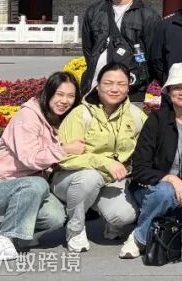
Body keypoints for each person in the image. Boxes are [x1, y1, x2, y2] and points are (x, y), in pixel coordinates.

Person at [0, 71, 81, 261]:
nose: (64, 101)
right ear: (48, 93)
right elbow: (30, 158)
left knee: (56, 217)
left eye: (70, 96)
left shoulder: (64, 121)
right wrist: (64, 149)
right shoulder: (28, 117)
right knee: (36, 183)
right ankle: (5, 237)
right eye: (59, 94)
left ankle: (20, 234)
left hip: (32, 190)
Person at [122, 62, 182, 259]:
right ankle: (139, 238)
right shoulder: (156, 120)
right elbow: (140, 167)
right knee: (165, 191)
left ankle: (164, 230)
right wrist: (171, 179)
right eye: (177, 87)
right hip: (153, 190)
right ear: (169, 91)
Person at [52, 63, 145, 252]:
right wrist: (103, 162)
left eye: (121, 84)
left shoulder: (135, 116)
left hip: (112, 181)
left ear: (128, 88)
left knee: (124, 215)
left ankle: (112, 224)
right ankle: (75, 229)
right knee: (90, 177)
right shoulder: (81, 114)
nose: (114, 89)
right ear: (97, 86)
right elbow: (64, 158)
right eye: (108, 83)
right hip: (72, 179)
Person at [80, 0, 160, 102]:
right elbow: (88, 50)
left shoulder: (148, 16)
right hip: (96, 89)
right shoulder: (94, 12)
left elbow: (153, 57)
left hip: (133, 92)